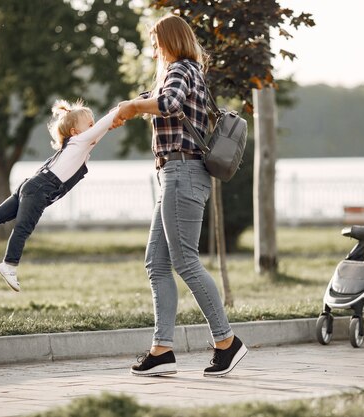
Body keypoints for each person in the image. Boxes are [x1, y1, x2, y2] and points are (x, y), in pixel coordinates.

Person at [111, 15, 247, 378]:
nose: (153, 49)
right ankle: (162, 350)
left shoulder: (179, 68)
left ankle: (226, 342)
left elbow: (168, 103)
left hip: (182, 173)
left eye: (156, 41)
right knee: (156, 264)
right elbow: (160, 99)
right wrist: (128, 107)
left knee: (185, 261)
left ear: (170, 40)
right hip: (176, 175)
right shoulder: (188, 70)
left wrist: (134, 107)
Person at [0, 99, 117, 292]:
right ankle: (9, 265)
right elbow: (102, 127)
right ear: (75, 132)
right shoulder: (80, 141)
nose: (94, 125)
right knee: (23, 227)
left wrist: (117, 116)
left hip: (31, 184)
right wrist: (121, 111)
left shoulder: (75, 144)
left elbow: (102, 129)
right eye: (89, 123)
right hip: (40, 189)